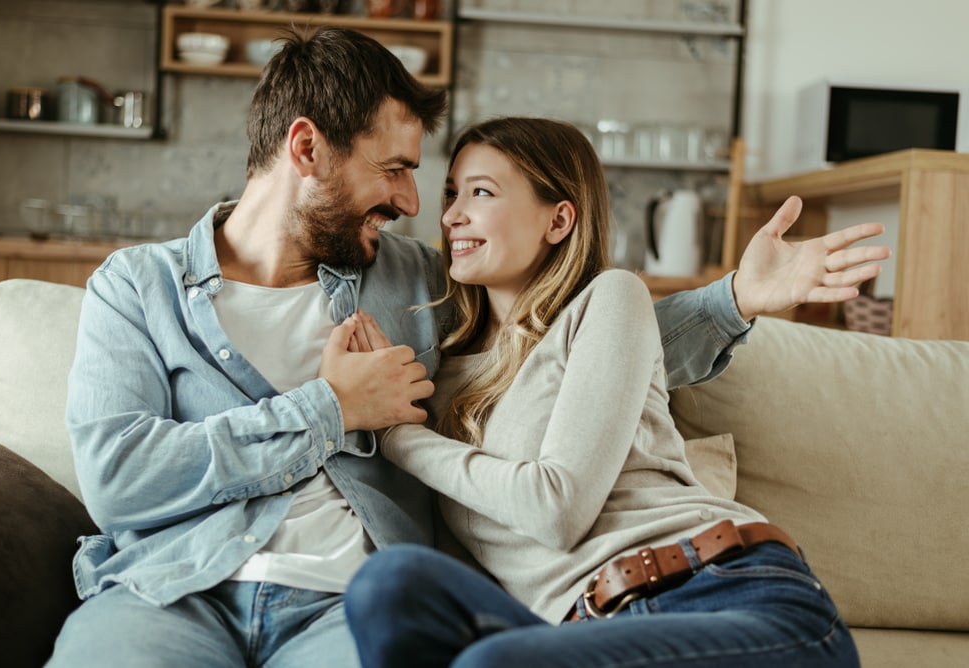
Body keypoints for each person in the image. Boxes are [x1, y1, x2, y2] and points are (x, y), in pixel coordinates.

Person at [49, 26, 885, 668]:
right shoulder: (139, 287)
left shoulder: (417, 279)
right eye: (396, 171)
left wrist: (733, 299)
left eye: (441, 185)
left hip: (345, 604)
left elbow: (571, 350)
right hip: (171, 592)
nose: (417, 204)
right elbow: (121, 480)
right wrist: (329, 410)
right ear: (306, 149)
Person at [342, 117, 863, 668]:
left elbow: (556, 509)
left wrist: (398, 433)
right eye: (451, 194)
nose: (450, 216)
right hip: (578, 630)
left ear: (559, 219)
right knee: (389, 583)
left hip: (724, 594)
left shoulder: (609, 299)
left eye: (481, 192)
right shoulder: (440, 379)